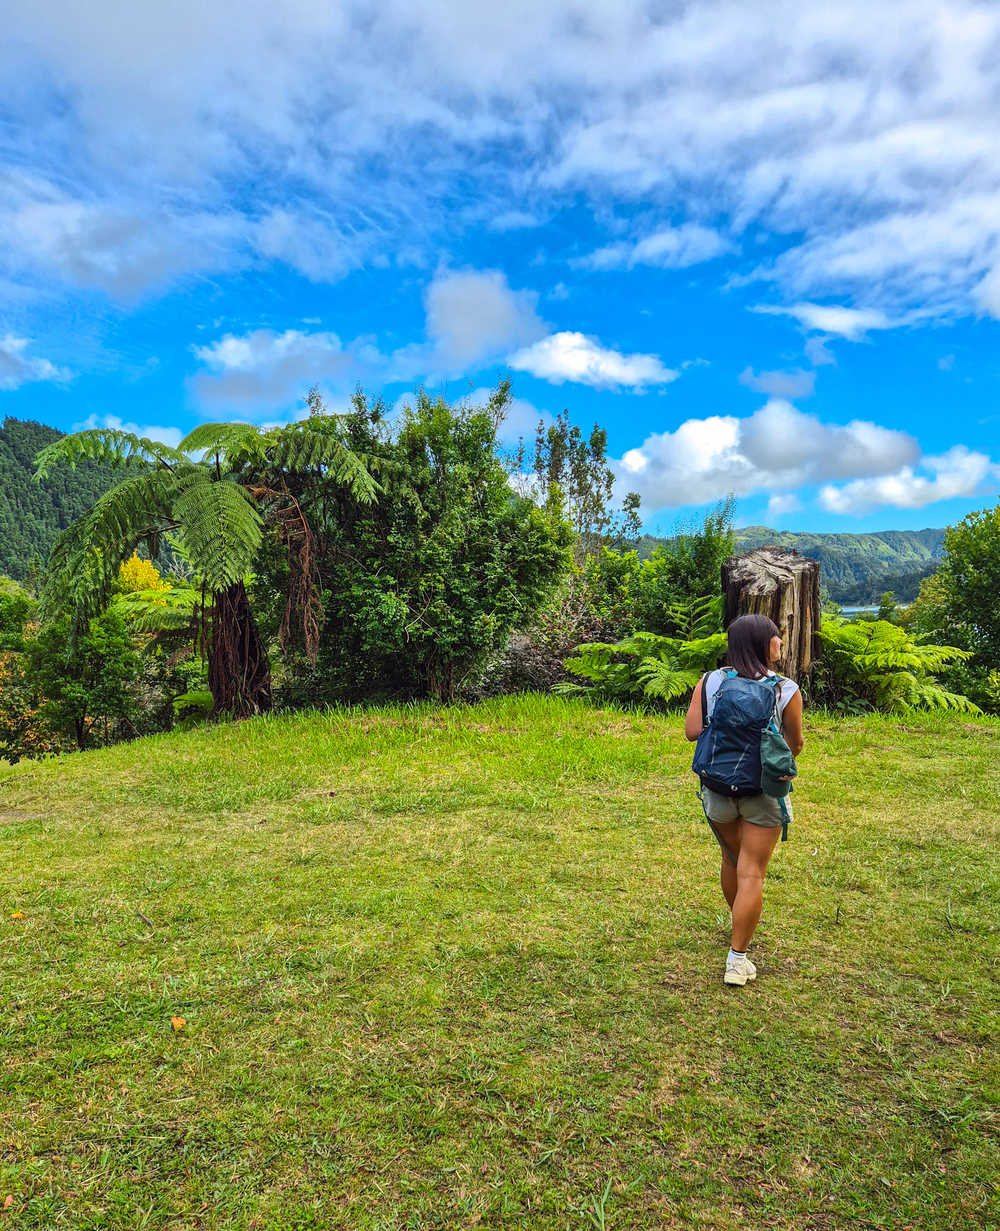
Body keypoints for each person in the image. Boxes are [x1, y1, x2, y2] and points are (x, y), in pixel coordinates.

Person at [684, 614, 804, 986]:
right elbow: (795, 744)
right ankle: (737, 959)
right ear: (762, 643)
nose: (781, 644)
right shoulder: (786, 689)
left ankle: (738, 923)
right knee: (752, 870)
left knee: (732, 859)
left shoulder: (711, 681)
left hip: (717, 787)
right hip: (763, 792)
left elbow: (691, 732)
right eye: (776, 638)